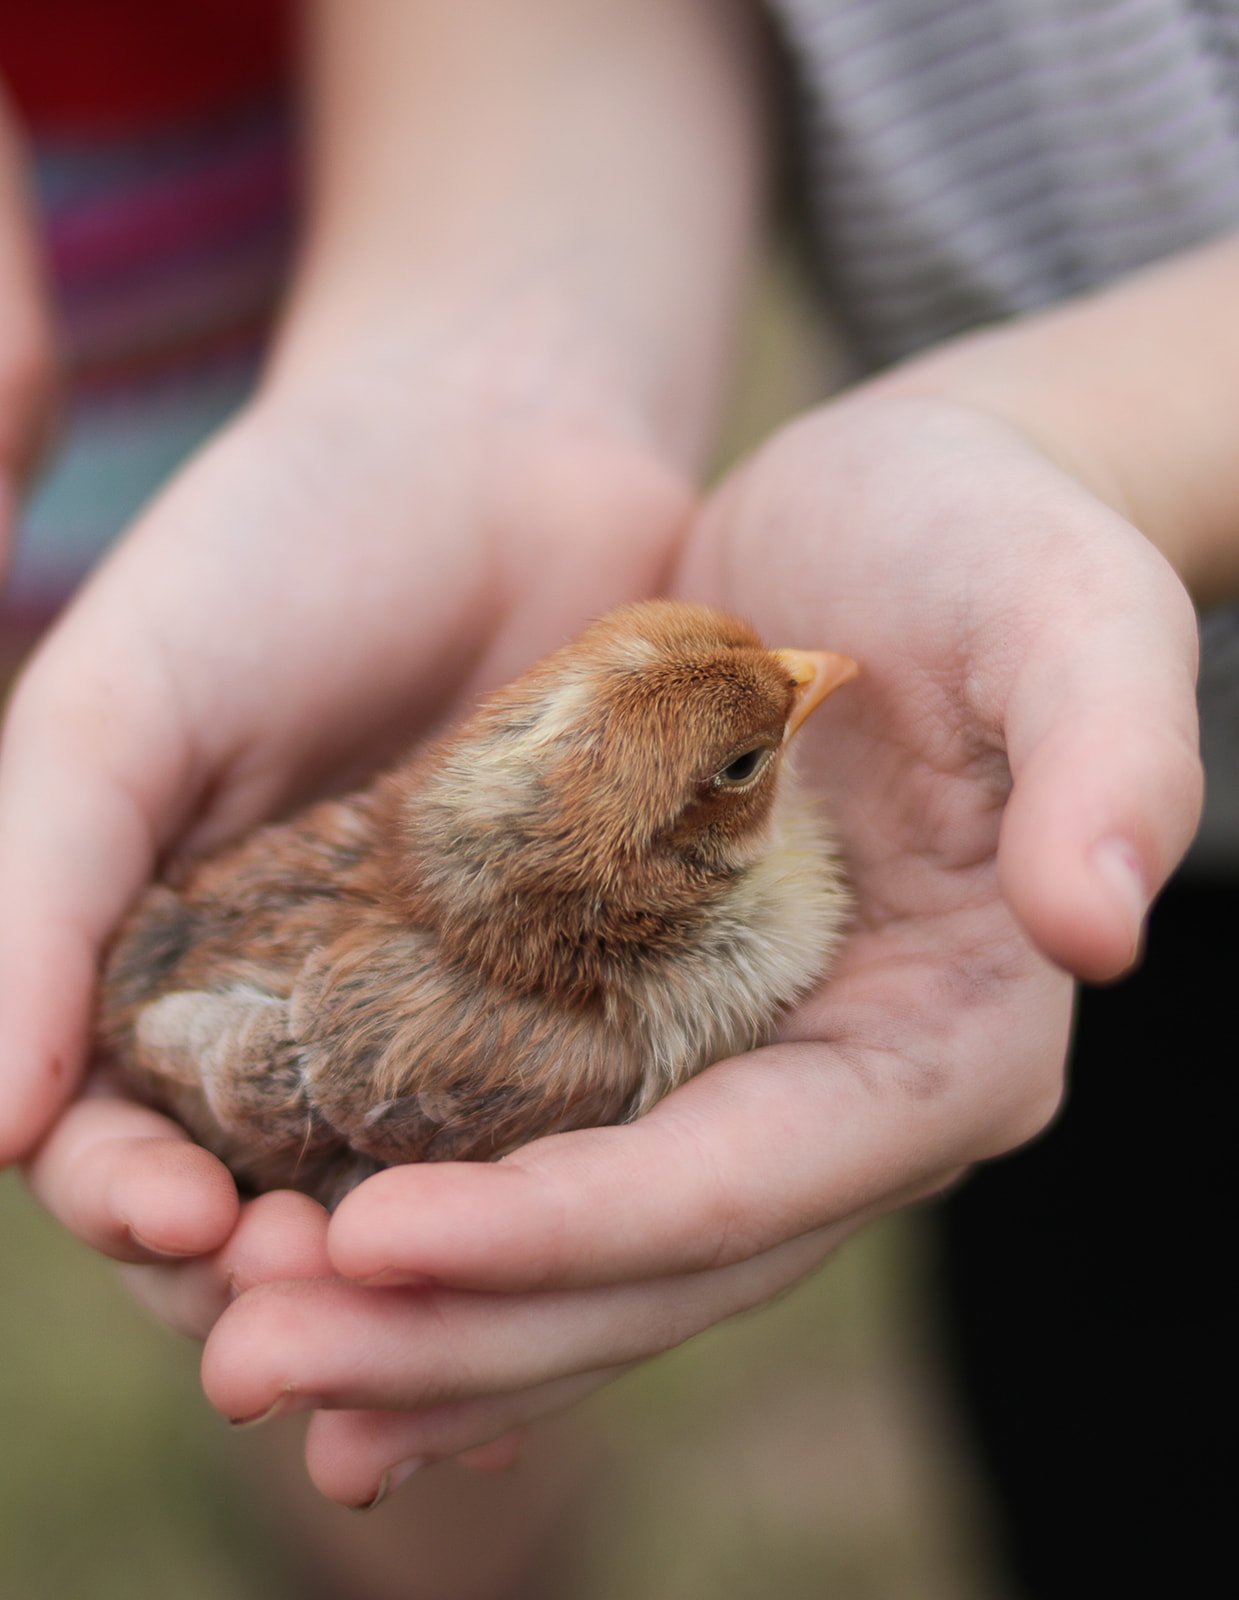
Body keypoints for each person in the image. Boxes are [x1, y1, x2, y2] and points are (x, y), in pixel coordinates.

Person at [0, 1, 1232, 1592]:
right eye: (746, 755)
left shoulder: (561, 947)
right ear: (654, 872)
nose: (807, 675)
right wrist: (480, 389)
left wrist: (1085, 449)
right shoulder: (537, 1038)